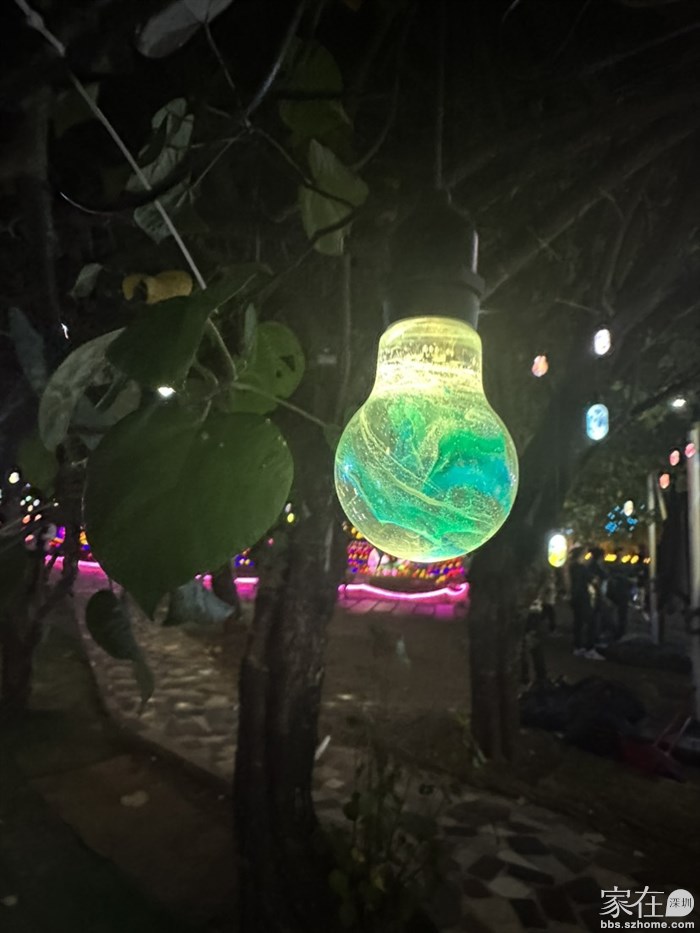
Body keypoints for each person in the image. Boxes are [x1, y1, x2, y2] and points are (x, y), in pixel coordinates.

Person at [569, 546, 605, 660]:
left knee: (578, 623)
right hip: (583, 597)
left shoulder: (572, 567)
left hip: (575, 597)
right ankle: (590, 648)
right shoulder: (581, 568)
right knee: (591, 622)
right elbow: (593, 579)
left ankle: (578, 646)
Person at [608, 547, 632, 639]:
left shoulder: (624, 565)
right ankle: (618, 632)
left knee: (622, 614)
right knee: (618, 613)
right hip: (618, 591)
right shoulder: (614, 566)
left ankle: (620, 631)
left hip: (622, 591)